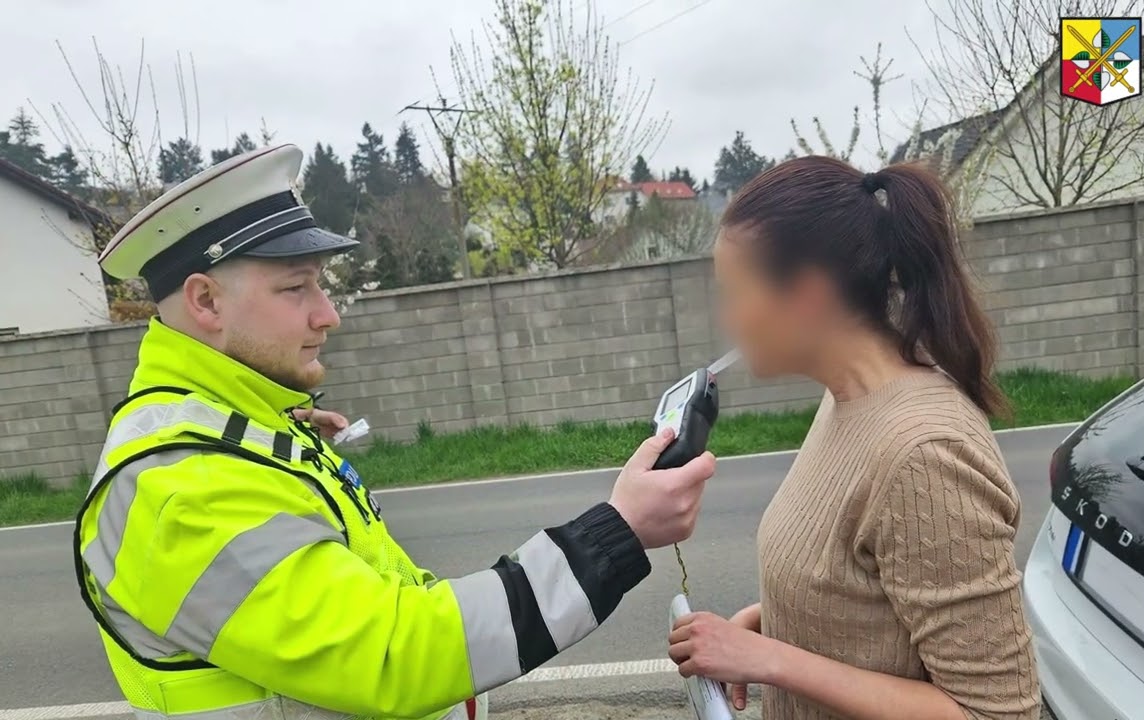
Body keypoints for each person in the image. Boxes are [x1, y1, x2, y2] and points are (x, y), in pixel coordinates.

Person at [73, 144, 717, 720]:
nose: (327, 315)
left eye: (320, 286)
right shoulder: (181, 490)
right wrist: (615, 533)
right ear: (206, 301)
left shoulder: (233, 428)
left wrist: (282, 432)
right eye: (295, 287)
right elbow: (388, 653)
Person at [667, 156, 1041, 720]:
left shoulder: (924, 454)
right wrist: (777, 617)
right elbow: (873, 592)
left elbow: (997, 713)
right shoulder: (845, 403)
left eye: (734, 292)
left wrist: (770, 659)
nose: (729, 320)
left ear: (809, 295)